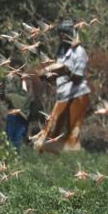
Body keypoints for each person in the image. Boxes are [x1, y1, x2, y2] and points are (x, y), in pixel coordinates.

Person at [35, 20, 92, 153]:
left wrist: (65, 71)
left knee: (72, 131)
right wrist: (47, 75)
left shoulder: (79, 52)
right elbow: (58, 70)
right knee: (53, 129)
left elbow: (78, 77)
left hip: (77, 94)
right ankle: (54, 155)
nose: (61, 36)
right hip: (63, 94)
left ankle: (73, 156)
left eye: (64, 33)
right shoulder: (62, 50)